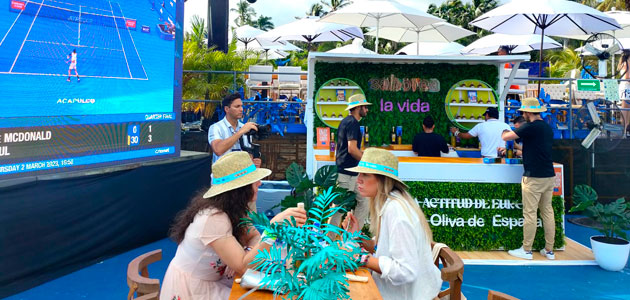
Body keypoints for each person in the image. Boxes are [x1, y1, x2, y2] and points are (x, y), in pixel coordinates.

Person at [160, 151, 307, 300]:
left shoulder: (233, 208)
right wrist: (272, 230)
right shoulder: (214, 218)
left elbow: (254, 236)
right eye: (254, 180)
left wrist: (244, 254)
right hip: (193, 290)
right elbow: (244, 268)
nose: (259, 183)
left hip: (214, 282)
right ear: (240, 188)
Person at [342, 148, 442, 300]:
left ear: (382, 179)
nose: (358, 179)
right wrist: (357, 236)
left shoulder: (396, 211)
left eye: (365, 174)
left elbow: (406, 271)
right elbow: (382, 247)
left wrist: (362, 258)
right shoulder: (390, 202)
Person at [501, 97, 556, 260]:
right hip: (548, 175)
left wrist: (504, 131)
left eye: (523, 112)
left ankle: (526, 250)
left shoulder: (529, 127)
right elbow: (535, 147)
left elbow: (506, 137)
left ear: (528, 112)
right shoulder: (546, 128)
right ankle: (549, 250)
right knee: (547, 211)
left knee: (530, 213)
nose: (522, 114)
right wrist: (520, 149)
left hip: (533, 177)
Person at [328, 94, 371, 237]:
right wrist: (368, 162)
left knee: (364, 201)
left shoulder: (346, 121)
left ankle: (351, 236)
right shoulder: (353, 123)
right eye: (365, 107)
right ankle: (327, 242)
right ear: (357, 107)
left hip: (350, 172)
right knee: (338, 208)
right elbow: (352, 149)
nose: (367, 110)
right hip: (346, 174)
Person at [208, 93, 261, 167]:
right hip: (224, 176)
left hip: (242, 175)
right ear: (227, 109)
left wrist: (254, 163)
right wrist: (240, 132)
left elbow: (248, 154)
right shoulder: (216, 128)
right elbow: (218, 149)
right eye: (237, 106)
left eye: (241, 106)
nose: (241, 109)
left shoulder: (245, 128)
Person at [618, 50, 630, 137]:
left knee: (626, 110)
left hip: (625, 88)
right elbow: (627, 77)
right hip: (626, 88)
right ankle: (624, 130)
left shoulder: (623, 64)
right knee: (625, 110)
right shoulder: (626, 64)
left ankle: (625, 130)